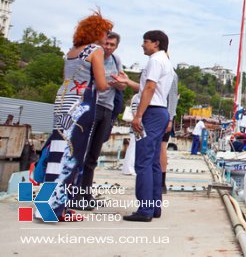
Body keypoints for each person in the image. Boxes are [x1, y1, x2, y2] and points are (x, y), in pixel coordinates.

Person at [43, 11, 113, 221]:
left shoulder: (72, 51)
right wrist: (116, 83)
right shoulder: (96, 50)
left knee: (57, 154)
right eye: (105, 32)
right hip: (81, 104)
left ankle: (46, 207)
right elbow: (100, 84)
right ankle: (57, 210)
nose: (107, 37)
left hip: (63, 101)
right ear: (96, 32)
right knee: (73, 155)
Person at [115, 30, 175, 222]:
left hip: (151, 113)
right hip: (160, 111)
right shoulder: (165, 61)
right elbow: (149, 89)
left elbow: (149, 88)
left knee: (143, 161)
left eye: (145, 41)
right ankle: (154, 207)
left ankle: (145, 209)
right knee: (154, 162)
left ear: (156, 43)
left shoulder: (155, 61)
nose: (142, 45)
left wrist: (138, 115)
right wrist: (128, 81)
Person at [77, 31, 125, 210]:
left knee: (93, 155)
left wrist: (118, 83)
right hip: (92, 105)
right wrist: (106, 82)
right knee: (83, 150)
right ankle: (75, 193)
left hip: (108, 107)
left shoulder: (116, 60)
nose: (108, 47)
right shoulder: (93, 55)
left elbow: (122, 83)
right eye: (106, 43)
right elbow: (90, 82)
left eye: (112, 45)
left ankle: (86, 193)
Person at [160, 73, 179, 194]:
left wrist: (170, 119)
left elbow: (172, 98)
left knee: (161, 147)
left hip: (163, 115)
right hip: (154, 114)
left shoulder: (170, 73)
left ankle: (161, 182)